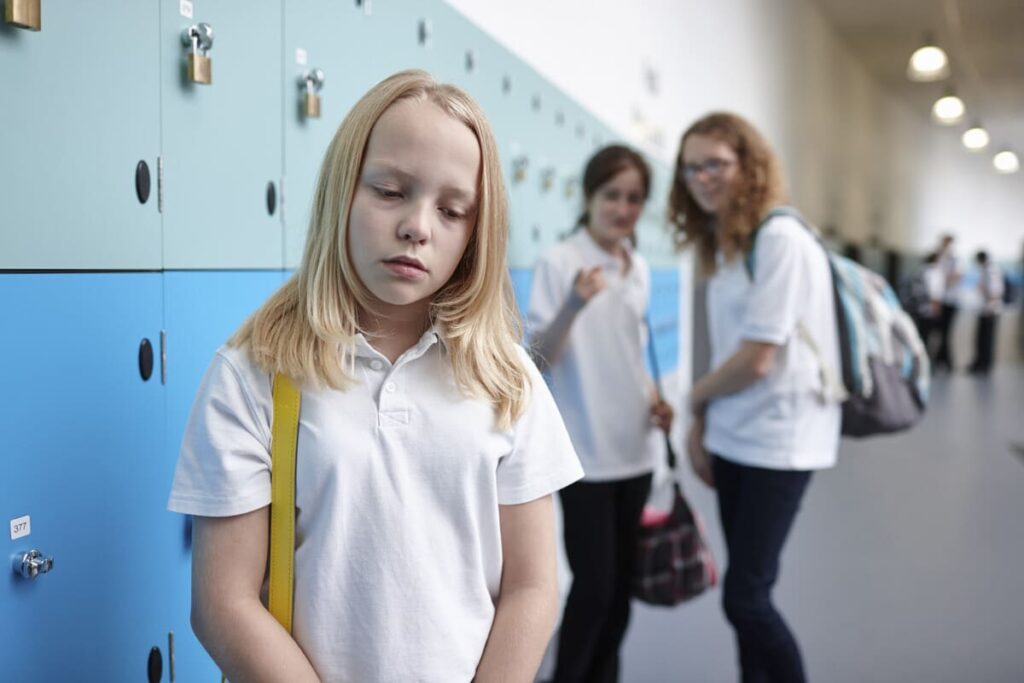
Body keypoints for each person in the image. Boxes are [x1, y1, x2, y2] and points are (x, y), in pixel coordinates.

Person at [167, 70, 583, 683]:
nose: (419, 225)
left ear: (476, 232)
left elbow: (531, 587)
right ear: (344, 190)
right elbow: (223, 604)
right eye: (390, 190)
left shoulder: (507, 379)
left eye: (452, 209)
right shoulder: (254, 374)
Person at [669, 112, 841, 683]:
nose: (702, 177)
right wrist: (704, 427)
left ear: (749, 166)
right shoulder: (725, 243)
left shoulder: (780, 239)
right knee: (746, 595)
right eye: (692, 167)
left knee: (746, 596)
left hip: (780, 439)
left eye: (715, 163)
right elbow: (727, 353)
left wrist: (694, 401)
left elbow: (758, 357)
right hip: (736, 433)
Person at [527, 144, 673, 682]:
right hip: (585, 454)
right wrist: (574, 303)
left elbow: (634, 350)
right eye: (612, 195)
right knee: (593, 589)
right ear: (589, 197)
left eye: (634, 198)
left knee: (620, 596)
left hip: (637, 448)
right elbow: (539, 357)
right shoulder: (561, 261)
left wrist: (658, 399)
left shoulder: (639, 267)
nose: (623, 208)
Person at [968, 250, 1004, 375]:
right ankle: (980, 362)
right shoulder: (985, 270)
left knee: (987, 340)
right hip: (984, 310)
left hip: (990, 311)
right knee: (981, 339)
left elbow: (995, 293)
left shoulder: (991, 271)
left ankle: (985, 365)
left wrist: (990, 309)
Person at [934, 234, 961, 371]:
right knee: (939, 332)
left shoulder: (955, 259)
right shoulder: (940, 258)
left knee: (946, 333)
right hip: (940, 301)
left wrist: (943, 278)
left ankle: (947, 362)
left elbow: (956, 277)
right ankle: (941, 359)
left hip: (950, 301)